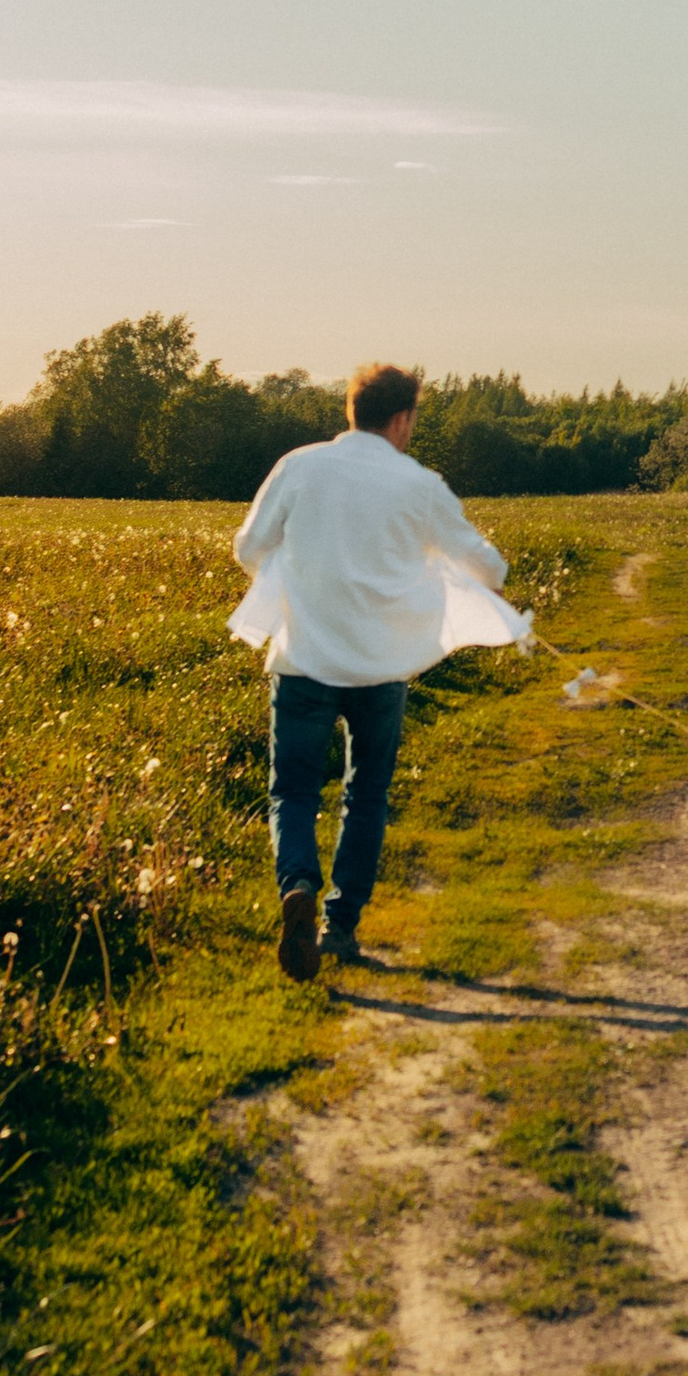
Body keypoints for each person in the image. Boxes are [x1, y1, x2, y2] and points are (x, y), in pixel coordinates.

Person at [231, 362, 522, 979]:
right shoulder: (419, 483)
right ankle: (340, 926)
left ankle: (298, 884)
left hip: (304, 660)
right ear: (401, 419)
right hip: (380, 670)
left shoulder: (299, 465)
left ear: (352, 411)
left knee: (293, 789)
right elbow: (487, 568)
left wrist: (300, 571)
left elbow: (249, 549)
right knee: (366, 793)